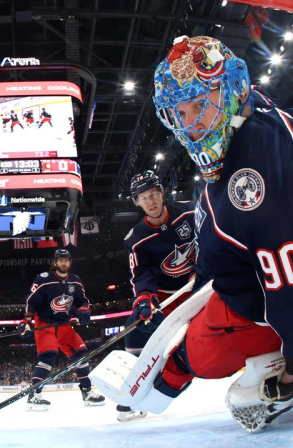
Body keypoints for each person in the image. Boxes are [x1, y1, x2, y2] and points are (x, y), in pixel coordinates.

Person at [132, 35, 293, 430]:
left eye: (198, 104)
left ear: (228, 86)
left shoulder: (250, 182)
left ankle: (174, 376)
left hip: (277, 307)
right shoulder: (258, 106)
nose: (191, 125)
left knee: (197, 352)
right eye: (180, 114)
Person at [117, 169, 197, 421]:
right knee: (136, 330)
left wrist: (203, 269)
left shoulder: (192, 211)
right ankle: (132, 396)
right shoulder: (136, 239)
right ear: (136, 202)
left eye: (153, 194)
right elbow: (141, 274)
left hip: (202, 287)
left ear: (162, 193)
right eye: (143, 198)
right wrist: (145, 298)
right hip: (168, 296)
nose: (150, 201)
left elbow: (212, 240)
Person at [18, 248, 105, 410]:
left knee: (81, 355)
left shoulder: (76, 281)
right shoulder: (44, 279)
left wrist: (84, 310)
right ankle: (34, 395)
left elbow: (82, 300)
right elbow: (31, 301)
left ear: (70, 262)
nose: (63, 262)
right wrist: (27, 319)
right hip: (45, 325)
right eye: (60, 260)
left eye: (66, 260)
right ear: (55, 262)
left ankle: (87, 392)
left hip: (64, 325)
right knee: (48, 357)